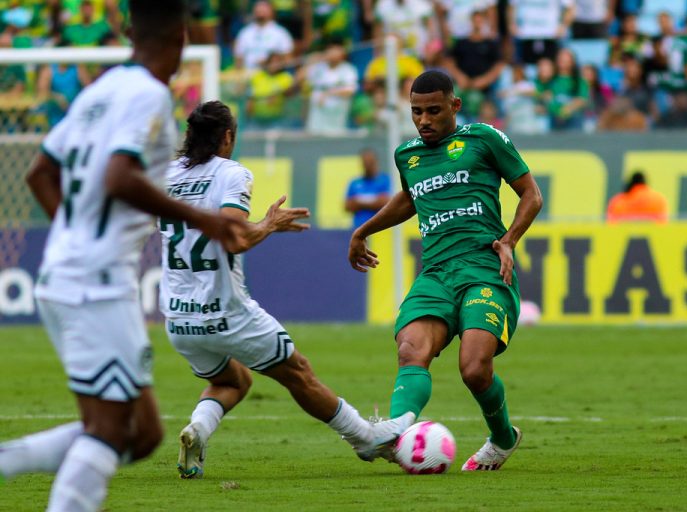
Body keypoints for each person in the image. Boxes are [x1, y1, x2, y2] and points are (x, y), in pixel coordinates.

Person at [0, 2, 246, 510]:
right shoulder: (149, 94)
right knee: (113, 429)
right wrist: (201, 217)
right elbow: (118, 176)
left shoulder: (100, 90)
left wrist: (78, 231)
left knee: (142, 432)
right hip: (95, 282)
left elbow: (38, 174)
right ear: (181, 39)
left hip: (76, 273)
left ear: (130, 32)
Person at [163, 101, 401, 478]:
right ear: (227, 137)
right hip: (226, 311)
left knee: (232, 380)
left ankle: (197, 430)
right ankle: (366, 439)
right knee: (298, 373)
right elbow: (233, 237)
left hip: (179, 318)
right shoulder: (232, 173)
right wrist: (268, 224)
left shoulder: (169, 174)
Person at [347, 70, 543, 471]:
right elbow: (411, 197)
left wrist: (509, 240)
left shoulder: (483, 139)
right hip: (436, 273)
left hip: (484, 268)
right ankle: (395, 430)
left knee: (473, 368)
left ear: (455, 105)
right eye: (416, 112)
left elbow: (531, 194)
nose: (424, 120)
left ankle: (503, 438)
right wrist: (363, 230)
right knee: (410, 350)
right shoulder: (408, 155)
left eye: (434, 110)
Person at [345, 148, 391, 228]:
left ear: (375, 162)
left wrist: (359, 202)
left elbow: (385, 202)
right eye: (365, 162)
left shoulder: (385, 180)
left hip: (379, 229)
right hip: (358, 228)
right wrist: (374, 201)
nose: (367, 165)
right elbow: (348, 205)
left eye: (370, 162)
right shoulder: (354, 183)